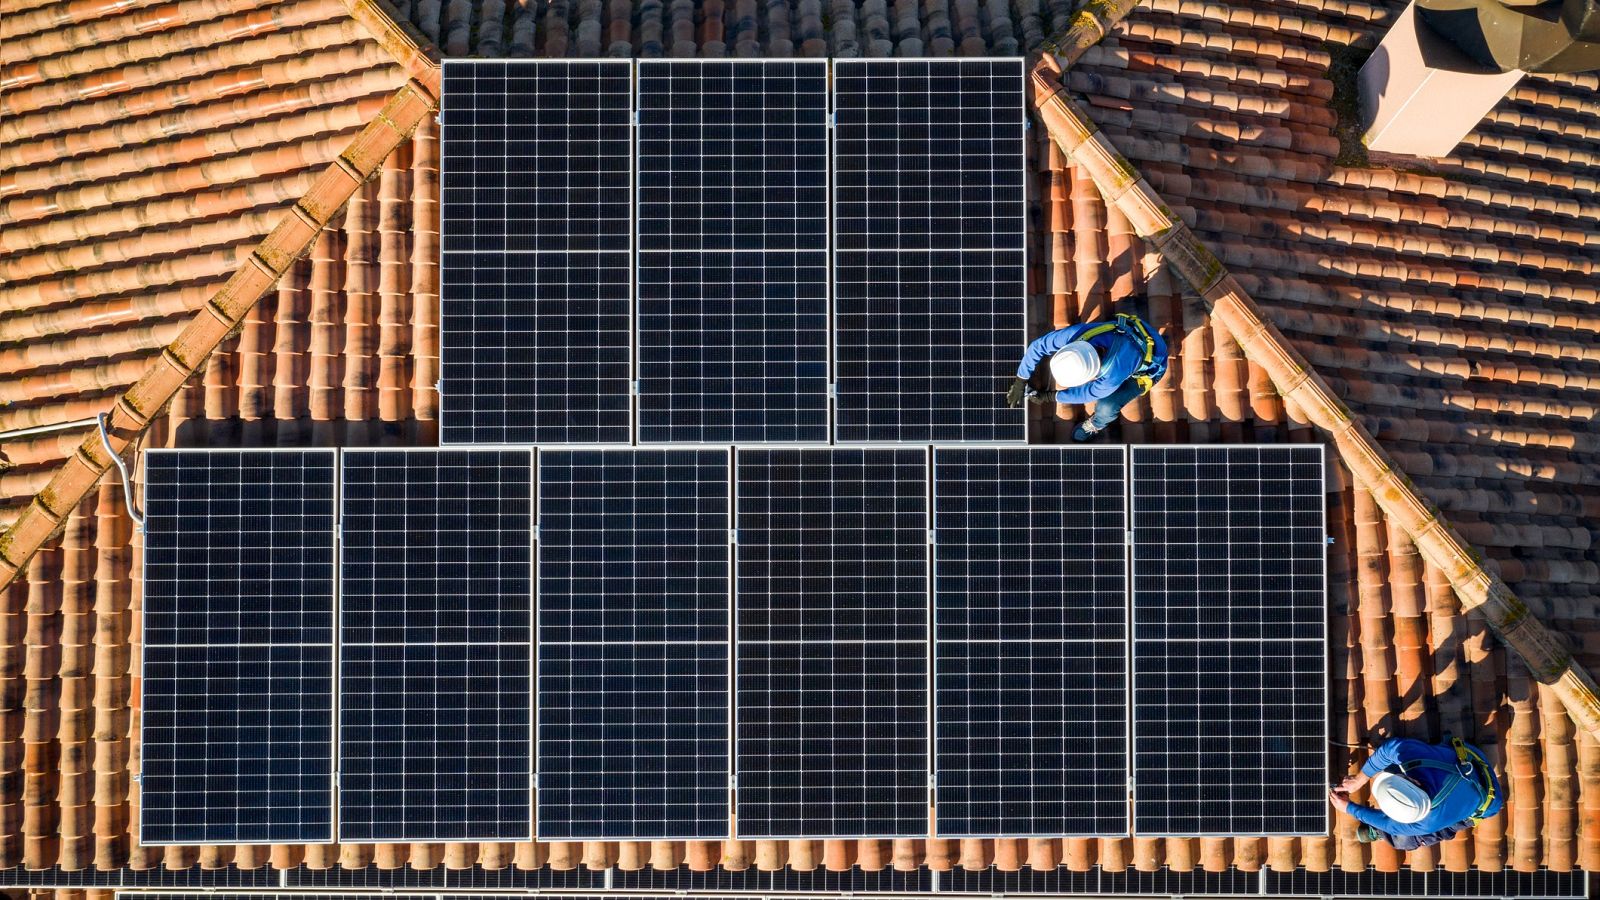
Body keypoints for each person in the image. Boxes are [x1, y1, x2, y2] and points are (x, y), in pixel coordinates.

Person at [1005, 312, 1168, 441]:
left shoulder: (1111, 376)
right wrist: (1020, 380)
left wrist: (1050, 397)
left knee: (1107, 407)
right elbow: (1038, 346)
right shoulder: (1076, 334)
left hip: (1154, 362)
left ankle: (1095, 424)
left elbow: (1086, 393)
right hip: (1134, 330)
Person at [1330, 736, 1503, 850]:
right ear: (1415, 782)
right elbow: (1388, 750)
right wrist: (1358, 781)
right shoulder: (1417, 760)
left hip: (1486, 799)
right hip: (1474, 762)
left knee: (1403, 840)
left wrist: (1350, 808)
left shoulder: (1426, 824)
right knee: (1391, 764)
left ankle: (1378, 834)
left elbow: (1387, 825)